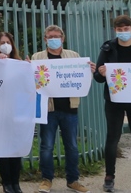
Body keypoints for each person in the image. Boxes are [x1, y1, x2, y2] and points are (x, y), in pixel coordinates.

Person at [31, 25, 92, 193]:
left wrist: (90, 71)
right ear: (45, 39)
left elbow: (82, 78)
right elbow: (31, 81)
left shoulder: (74, 56)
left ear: (63, 38)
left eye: (56, 36)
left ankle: (73, 180)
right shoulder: (38, 57)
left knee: (72, 146)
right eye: (50, 36)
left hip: (69, 109)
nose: (53, 39)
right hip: (48, 109)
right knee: (46, 146)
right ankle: (46, 180)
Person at [94, 15, 131, 192]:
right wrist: (101, 72)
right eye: (120, 30)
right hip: (114, 101)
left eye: (126, 29)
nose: (123, 33)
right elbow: (97, 77)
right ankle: (109, 177)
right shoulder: (108, 48)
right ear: (115, 31)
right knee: (113, 138)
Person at [0, 32, 24, 193]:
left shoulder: (20, 63)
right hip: (0, 112)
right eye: (2, 42)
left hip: (17, 110)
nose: (5, 45)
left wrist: (28, 66)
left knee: (16, 147)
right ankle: (6, 183)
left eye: (8, 42)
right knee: (3, 148)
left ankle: (15, 182)